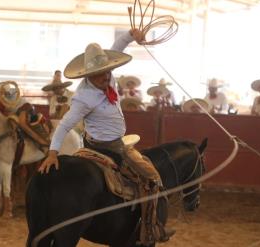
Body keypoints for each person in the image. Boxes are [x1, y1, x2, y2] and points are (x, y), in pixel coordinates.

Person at [38, 29, 175, 245]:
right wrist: (53, 153)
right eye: (100, 74)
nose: (106, 76)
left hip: (106, 143)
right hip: (109, 148)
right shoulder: (83, 97)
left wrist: (131, 34)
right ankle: (150, 228)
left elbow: (117, 47)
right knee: (151, 177)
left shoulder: (107, 78)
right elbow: (65, 125)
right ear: (87, 75)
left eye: (107, 71)